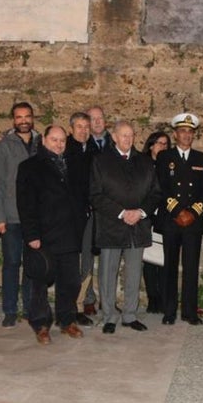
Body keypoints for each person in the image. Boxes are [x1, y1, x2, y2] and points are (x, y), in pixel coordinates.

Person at [17, 124, 89, 344]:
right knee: (39, 282)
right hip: (44, 235)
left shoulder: (73, 164)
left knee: (71, 282)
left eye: (62, 141)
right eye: (54, 140)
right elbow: (25, 203)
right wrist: (31, 235)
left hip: (69, 234)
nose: (59, 144)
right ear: (44, 141)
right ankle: (40, 324)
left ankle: (66, 320)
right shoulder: (29, 167)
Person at [91, 121, 160, 334]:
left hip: (138, 226)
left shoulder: (145, 162)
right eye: (123, 135)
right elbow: (95, 195)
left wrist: (140, 212)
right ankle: (109, 315)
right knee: (107, 272)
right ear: (114, 137)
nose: (127, 139)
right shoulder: (101, 161)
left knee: (134, 272)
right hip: (111, 224)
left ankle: (130, 315)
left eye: (130, 135)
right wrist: (122, 213)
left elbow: (155, 193)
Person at [0, 101, 41, 326]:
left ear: (32, 118)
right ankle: (9, 310)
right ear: (13, 120)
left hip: (35, 218)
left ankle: (29, 309)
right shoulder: (3, 146)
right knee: (11, 264)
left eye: (27, 116)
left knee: (32, 265)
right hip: (10, 217)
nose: (23, 121)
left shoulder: (41, 143)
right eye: (19, 117)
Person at [157, 112, 203, 326]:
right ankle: (169, 311)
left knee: (191, 266)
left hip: (193, 222)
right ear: (175, 134)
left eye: (190, 132)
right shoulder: (165, 157)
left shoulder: (202, 159)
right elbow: (161, 187)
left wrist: (193, 212)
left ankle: (190, 311)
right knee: (169, 267)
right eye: (182, 131)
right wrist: (178, 211)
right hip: (172, 220)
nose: (186, 135)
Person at [65, 111, 97, 325]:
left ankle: (82, 301)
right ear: (71, 129)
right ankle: (70, 305)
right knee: (69, 261)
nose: (84, 130)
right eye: (79, 126)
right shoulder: (64, 150)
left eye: (87, 126)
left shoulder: (95, 150)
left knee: (86, 260)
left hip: (89, 215)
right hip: (68, 216)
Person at [140, 130, 170, 312]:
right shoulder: (142, 163)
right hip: (146, 216)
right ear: (151, 145)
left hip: (165, 215)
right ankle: (153, 298)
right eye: (159, 143)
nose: (163, 147)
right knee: (149, 260)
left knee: (165, 259)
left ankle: (164, 297)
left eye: (166, 144)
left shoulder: (170, 164)